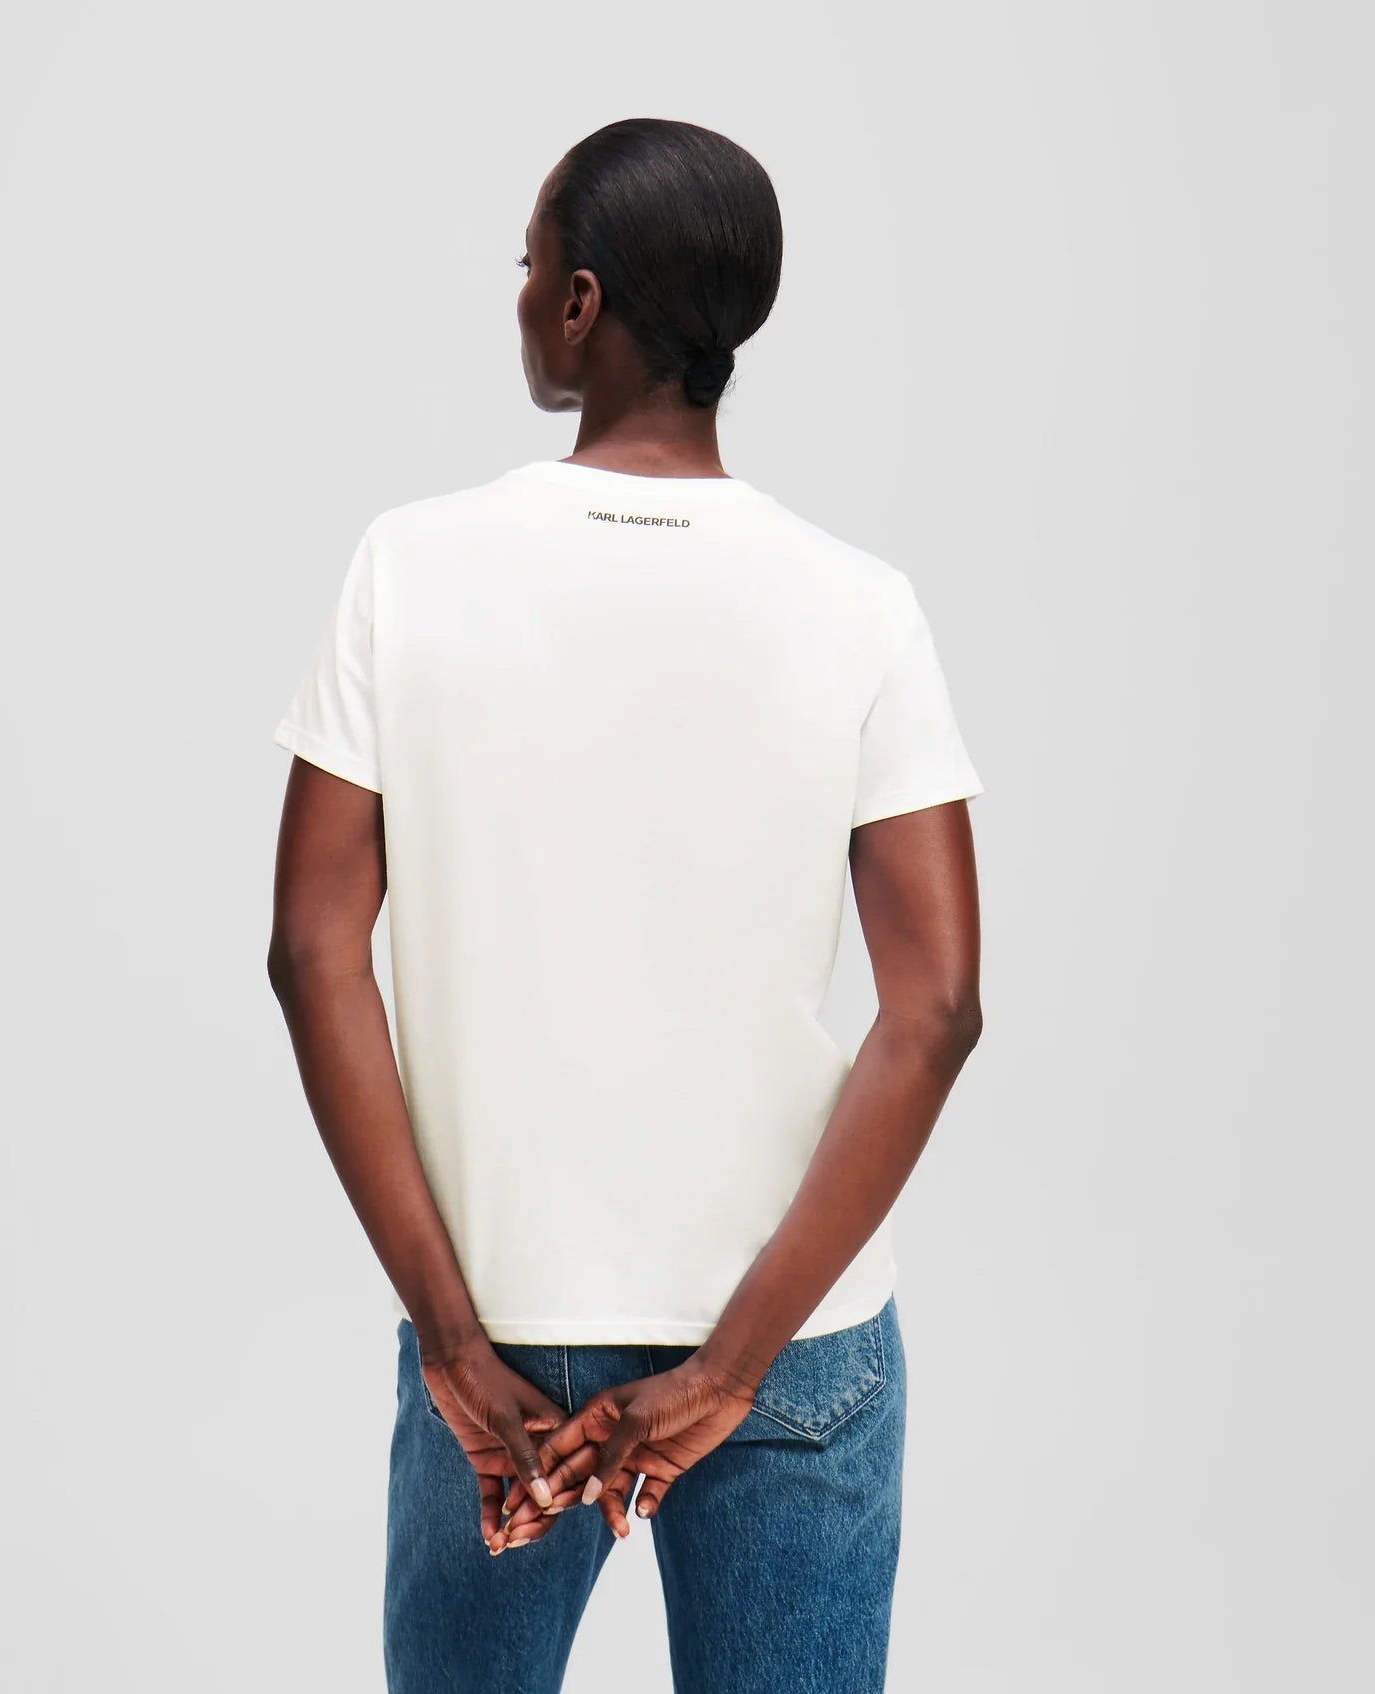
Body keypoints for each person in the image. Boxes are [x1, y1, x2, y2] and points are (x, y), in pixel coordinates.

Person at [267, 117, 984, 1694]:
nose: (523, 293)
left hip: (501, 1339)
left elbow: (314, 951)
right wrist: (731, 1363)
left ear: (581, 303)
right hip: (791, 1331)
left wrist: (452, 1338)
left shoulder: (410, 569)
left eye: (530, 265)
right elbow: (936, 1006)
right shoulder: (861, 606)